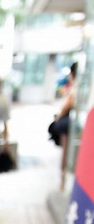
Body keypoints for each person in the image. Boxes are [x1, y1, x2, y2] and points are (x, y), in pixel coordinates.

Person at [48, 61, 77, 190]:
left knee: (66, 154)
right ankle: (64, 180)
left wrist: (58, 118)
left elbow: (66, 106)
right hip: (71, 126)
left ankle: (63, 181)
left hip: (68, 126)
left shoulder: (75, 88)